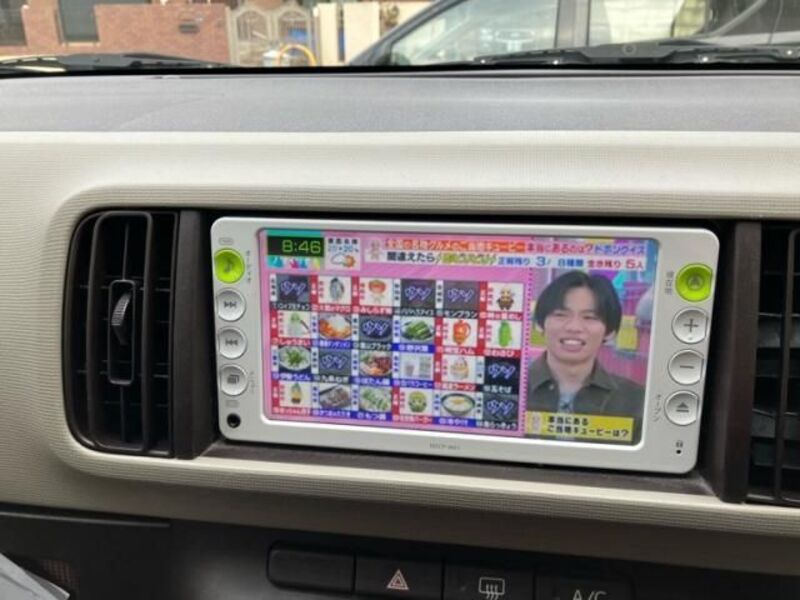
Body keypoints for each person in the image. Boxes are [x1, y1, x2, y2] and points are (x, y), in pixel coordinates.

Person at [527, 271, 644, 425]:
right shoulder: (509, 386)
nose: (574, 327)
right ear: (539, 324)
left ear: (610, 332)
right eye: (561, 315)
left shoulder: (635, 400)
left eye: (589, 317)